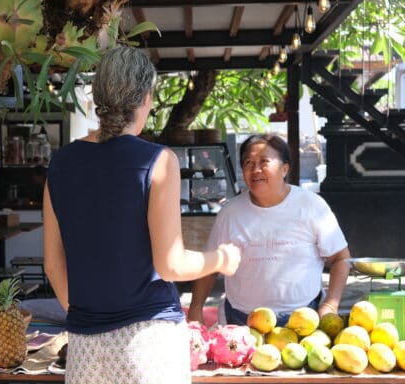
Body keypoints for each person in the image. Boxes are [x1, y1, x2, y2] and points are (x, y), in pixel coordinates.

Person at [42, 46, 241, 384]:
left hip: (84, 349)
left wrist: (89, 314)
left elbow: (52, 264)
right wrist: (221, 259)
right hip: (147, 344)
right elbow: (171, 264)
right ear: (146, 97)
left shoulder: (61, 164)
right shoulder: (157, 161)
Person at [187, 133, 350, 327]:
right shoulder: (230, 212)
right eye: (248, 163)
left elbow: (341, 258)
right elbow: (209, 266)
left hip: (303, 322)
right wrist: (195, 309)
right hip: (241, 323)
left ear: (284, 169)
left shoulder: (311, 205)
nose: (255, 169)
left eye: (264, 161)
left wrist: (330, 305)